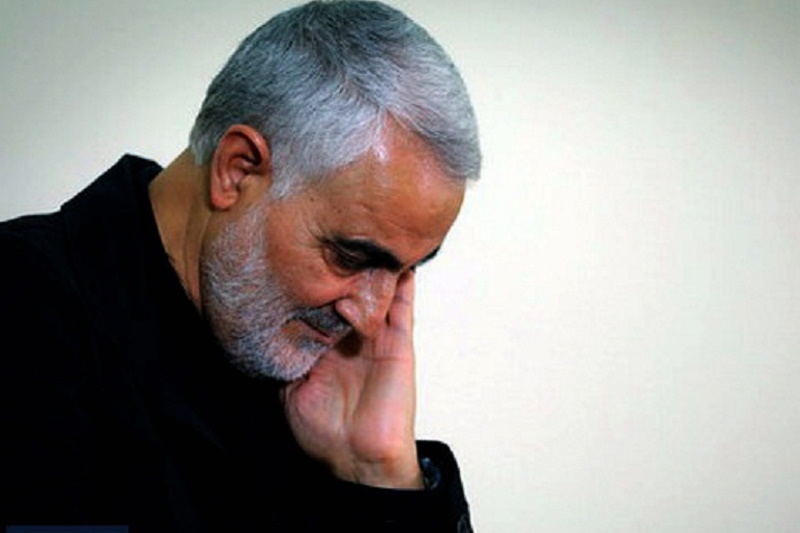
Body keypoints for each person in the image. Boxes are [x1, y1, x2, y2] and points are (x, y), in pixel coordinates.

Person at [2, 1, 480, 531]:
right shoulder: (18, 304)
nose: (370, 320)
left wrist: (381, 477)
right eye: (349, 257)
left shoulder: (304, 376)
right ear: (237, 170)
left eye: (406, 272)